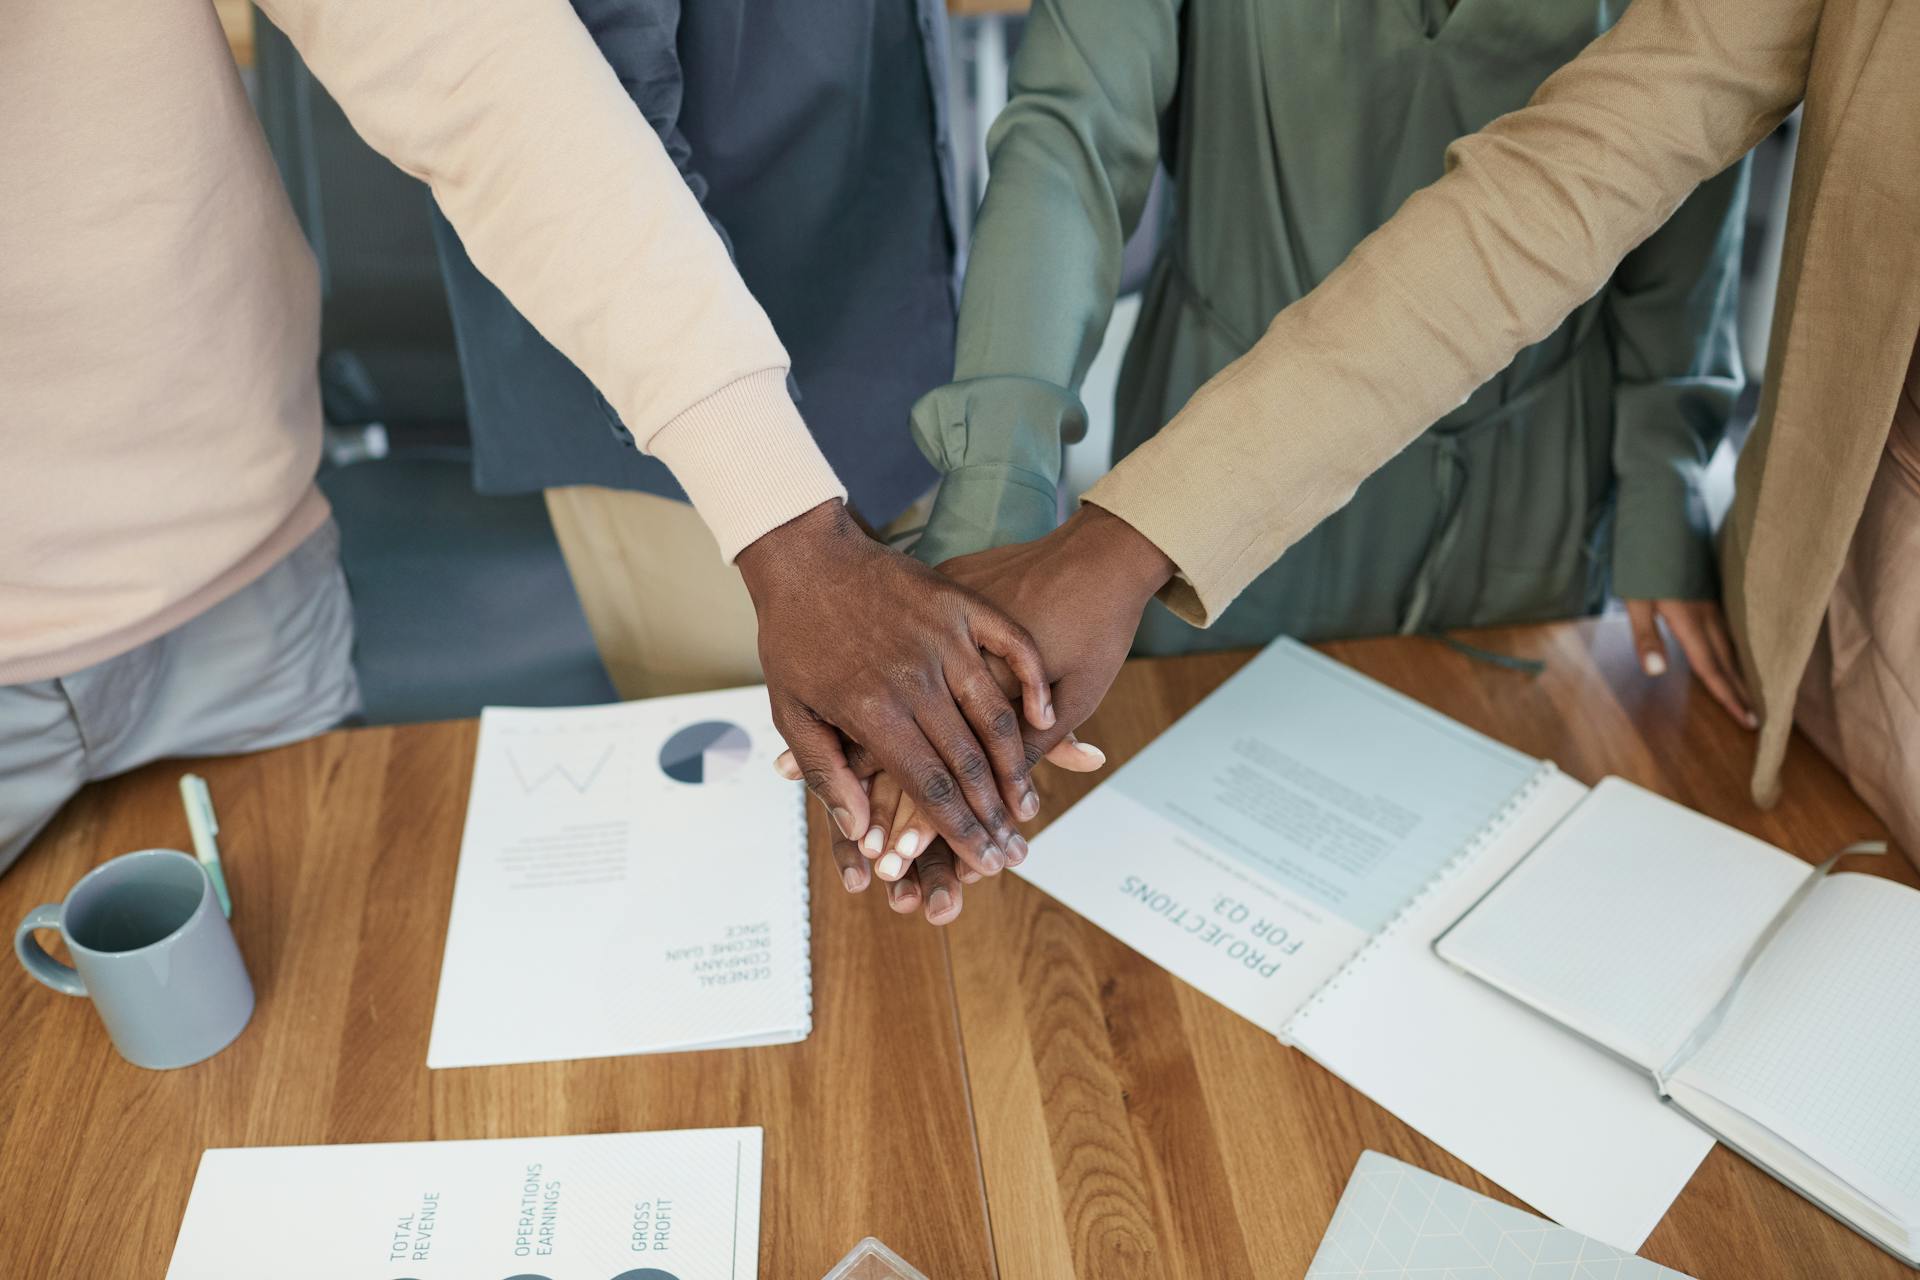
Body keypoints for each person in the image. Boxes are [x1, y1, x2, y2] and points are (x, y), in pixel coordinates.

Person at [0, 0, 1075, 875]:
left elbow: (484, 75)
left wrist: (788, 525)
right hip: (650, 406)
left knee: (304, 1014)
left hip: (244, 561)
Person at [876, 0, 1920, 885]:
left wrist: (1664, 473)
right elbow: (1072, 136)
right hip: (1214, 486)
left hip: (1530, 495)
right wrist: (995, 507)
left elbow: (1683, 155)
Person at [430, 0, 965, 700]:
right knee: (745, 763)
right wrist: (776, 508)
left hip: (897, 322)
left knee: (942, 746)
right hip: (670, 400)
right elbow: (586, 139)